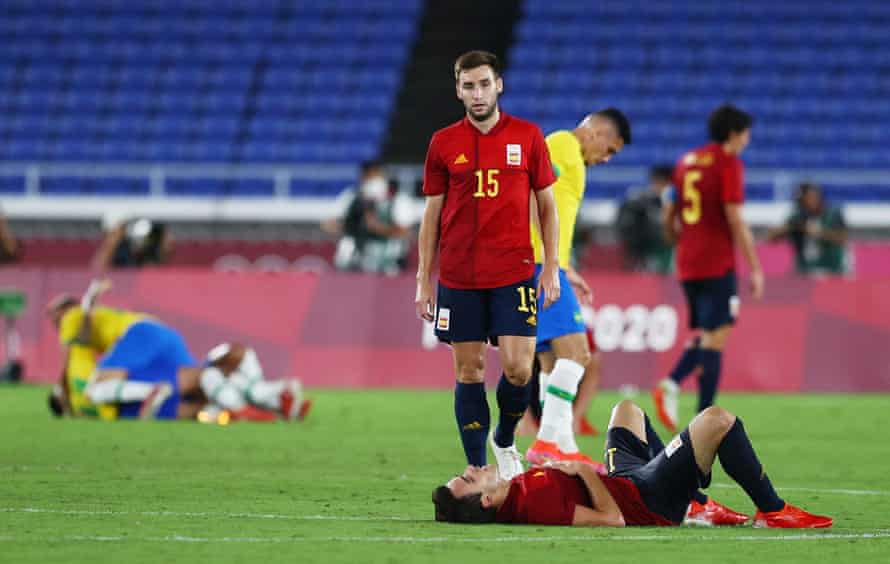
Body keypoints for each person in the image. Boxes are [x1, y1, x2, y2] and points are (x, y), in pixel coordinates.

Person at [414, 50, 561, 480]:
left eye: (483, 84)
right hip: (460, 276)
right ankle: (477, 466)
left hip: (514, 271)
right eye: (467, 85)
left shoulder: (529, 137)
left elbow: (547, 207)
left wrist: (550, 265)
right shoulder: (443, 143)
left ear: (499, 85)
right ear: (457, 90)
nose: (476, 93)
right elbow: (431, 216)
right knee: (470, 369)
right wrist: (424, 279)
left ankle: (505, 436)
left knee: (519, 368)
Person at [433, 400, 832, 529]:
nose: (472, 469)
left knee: (627, 409)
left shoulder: (519, 490)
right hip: (648, 499)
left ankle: (696, 500)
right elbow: (612, 520)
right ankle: (774, 509)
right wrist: (581, 469)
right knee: (717, 420)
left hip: (626, 479)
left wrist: (567, 471)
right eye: (467, 480)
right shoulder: (532, 503)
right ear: (485, 502)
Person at [523, 109, 632, 468]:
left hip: (545, 265)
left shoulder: (566, 152)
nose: (607, 159)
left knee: (550, 361)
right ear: (598, 133)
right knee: (578, 355)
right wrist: (548, 263)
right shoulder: (563, 146)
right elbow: (526, 192)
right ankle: (545, 443)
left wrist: (566, 268)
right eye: (611, 150)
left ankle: (563, 446)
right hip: (540, 266)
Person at [45, 280, 310, 421]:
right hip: (163, 337)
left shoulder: (73, 317)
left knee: (96, 388)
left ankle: (154, 392)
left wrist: (89, 301)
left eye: (53, 315)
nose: (53, 321)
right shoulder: (104, 326)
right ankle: (275, 398)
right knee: (204, 385)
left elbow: (75, 344)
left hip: (140, 335)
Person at [653, 105, 764, 433]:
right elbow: (735, 218)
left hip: (688, 261)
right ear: (733, 133)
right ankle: (688, 399)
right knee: (717, 336)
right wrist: (755, 267)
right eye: (745, 133)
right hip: (717, 262)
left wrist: (680, 241)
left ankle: (698, 411)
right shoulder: (728, 163)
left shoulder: (686, 161)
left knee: (706, 334)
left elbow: (668, 213)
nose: (747, 139)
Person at [322, 161, 414, 275]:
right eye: (368, 176)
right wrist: (351, 225)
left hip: (388, 262)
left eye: (375, 176)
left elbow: (405, 232)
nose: (371, 181)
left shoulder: (399, 200)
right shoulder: (351, 197)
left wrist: (378, 227)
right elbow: (329, 224)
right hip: (355, 260)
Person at [767, 182, 848, 275]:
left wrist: (819, 232)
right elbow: (771, 237)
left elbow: (843, 238)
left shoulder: (833, 214)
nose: (809, 201)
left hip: (832, 270)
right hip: (805, 271)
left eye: (811, 197)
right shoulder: (797, 217)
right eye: (803, 200)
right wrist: (792, 226)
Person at [615, 164, 674, 273]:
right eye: (656, 182)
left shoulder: (677, 201)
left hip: (668, 253)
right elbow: (624, 226)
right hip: (644, 253)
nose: (656, 186)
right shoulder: (639, 202)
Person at [92, 217, 173, 270]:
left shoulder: (151, 252)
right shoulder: (120, 251)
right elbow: (97, 269)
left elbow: (167, 248)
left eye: (144, 239)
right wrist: (112, 242)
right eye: (137, 239)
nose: (140, 243)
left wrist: (160, 232)